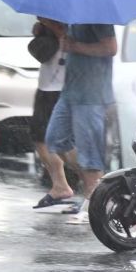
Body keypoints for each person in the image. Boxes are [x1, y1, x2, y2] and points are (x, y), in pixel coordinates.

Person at [44, 22, 118, 224]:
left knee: (90, 153)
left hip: (91, 95)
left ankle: (96, 205)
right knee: (55, 140)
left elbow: (110, 48)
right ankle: (99, 191)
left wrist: (76, 47)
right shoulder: (73, 15)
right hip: (70, 92)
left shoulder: (98, 15)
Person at [30, 17, 74, 210]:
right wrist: (41, 28)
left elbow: (65, 35)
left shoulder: (73, 13)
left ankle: (94, 184)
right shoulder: (54, 9)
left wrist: (48, 24)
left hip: (60, 87)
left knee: (61, 142)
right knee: (41, 138)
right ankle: (60, 185)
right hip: (47, 85)